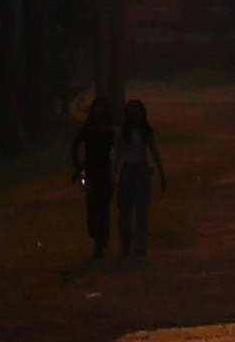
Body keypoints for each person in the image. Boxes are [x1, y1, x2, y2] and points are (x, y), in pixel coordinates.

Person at [115, 97, 166, 262]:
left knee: (141, 209)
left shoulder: (146, 132)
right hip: (128, 169)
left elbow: (154, 152)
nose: (133, 114)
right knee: (125, 208)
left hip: (141, 169)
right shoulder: (123, 132)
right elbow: (117, 155)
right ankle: (126, 241)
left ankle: (139, 243)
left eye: (136, 111)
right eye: (131, 111)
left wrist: (162, 173)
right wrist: (113, 175)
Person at [70, 89, 116, 260]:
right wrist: (78, 167)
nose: (98, 112)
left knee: (102, 206)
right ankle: (97, 236)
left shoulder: (109, 130)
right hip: (92, 169)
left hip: (104, 169)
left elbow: (115, 151)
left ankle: (100, 242)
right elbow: (75, 147)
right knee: (92, 204)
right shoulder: (89, 129)